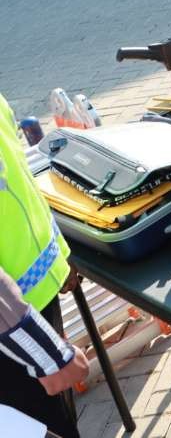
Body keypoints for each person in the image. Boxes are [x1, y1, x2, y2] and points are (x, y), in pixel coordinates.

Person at [0, 92, 88, 438]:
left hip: (28, 303)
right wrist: (46, 354)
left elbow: (16, 181)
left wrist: (58, 256)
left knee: (61, 422)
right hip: (12, 333)